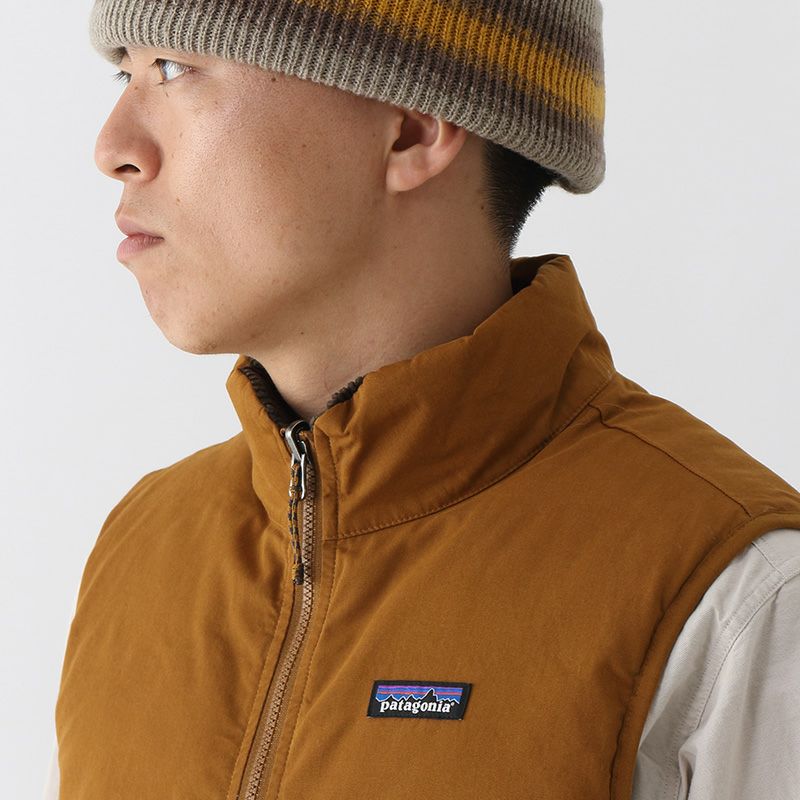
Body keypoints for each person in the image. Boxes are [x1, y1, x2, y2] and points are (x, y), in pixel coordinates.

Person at [49, 1, 800, 798]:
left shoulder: (734, 597)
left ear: (412, 126)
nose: (112, 148)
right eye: (125, 73)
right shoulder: (141, 554)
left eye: (174, 68)